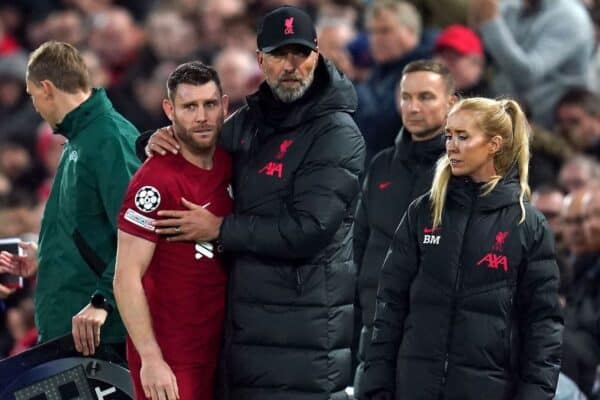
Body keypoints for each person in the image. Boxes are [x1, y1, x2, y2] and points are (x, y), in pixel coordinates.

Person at [139, 5, 365, 399]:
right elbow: (200, 146)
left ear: (317, 55)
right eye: (279, 54)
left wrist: (220, 230)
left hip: (304, 335)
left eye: (300, 53)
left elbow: (310, 229)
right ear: (260, 59)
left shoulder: (337, 132)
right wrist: (157, 139)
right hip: (245, 328)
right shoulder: (252, 121)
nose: (290, 65)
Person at [361, 97, 563, 400]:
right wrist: (376, 386)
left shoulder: (527, 224)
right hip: (413, 388)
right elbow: (389, 305)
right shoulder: (424, 212)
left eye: (463, 136)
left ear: (494, 144)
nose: (451, 145)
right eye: (448, 135)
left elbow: (543, 325)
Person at [0, 41, 140, 359]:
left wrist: (104, 301)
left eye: (33, 95)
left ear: (47, 88)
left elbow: (140, 232)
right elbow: (86, 231)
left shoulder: (109, 139)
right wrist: (43, 256)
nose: (34, 105)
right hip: (74, 332)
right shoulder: (79, 138)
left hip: (102, 335)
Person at [114, 62, 231, 400]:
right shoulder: (155, 181)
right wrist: (150, 358)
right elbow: (125, 278)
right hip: (170, 357)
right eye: (189, 106)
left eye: (209, 105)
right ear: (170, 110)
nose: (202, 117)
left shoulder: (230, 162)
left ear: (224, 105)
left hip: (220, 350)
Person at [352, 59, 456, 399]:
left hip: (440, 339)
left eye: (426, 97)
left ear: (451, 102)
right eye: (406, 97)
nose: (412, 107)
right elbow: (359, 247)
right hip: (376, 333)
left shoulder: (464, 172)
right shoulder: (381, 165)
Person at [470, 0, 594, 128]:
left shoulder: (571, 19)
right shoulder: (513, 5)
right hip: (497, 108)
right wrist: (478, 24)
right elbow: (490, 52)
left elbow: (526, 74)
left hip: (540, 126)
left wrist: (491, 22)